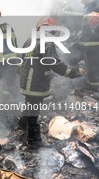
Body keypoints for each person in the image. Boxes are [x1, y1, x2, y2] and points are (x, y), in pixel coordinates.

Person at [19, 17, 85, 148]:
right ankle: (34, 140)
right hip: (36, 83)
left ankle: (21, 128)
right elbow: (54, 63)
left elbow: (25, 59)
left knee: (29, 105)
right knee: (34, 111)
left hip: (27, 81)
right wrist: (75, 72)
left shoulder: (30, 39)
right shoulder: (47, 41)